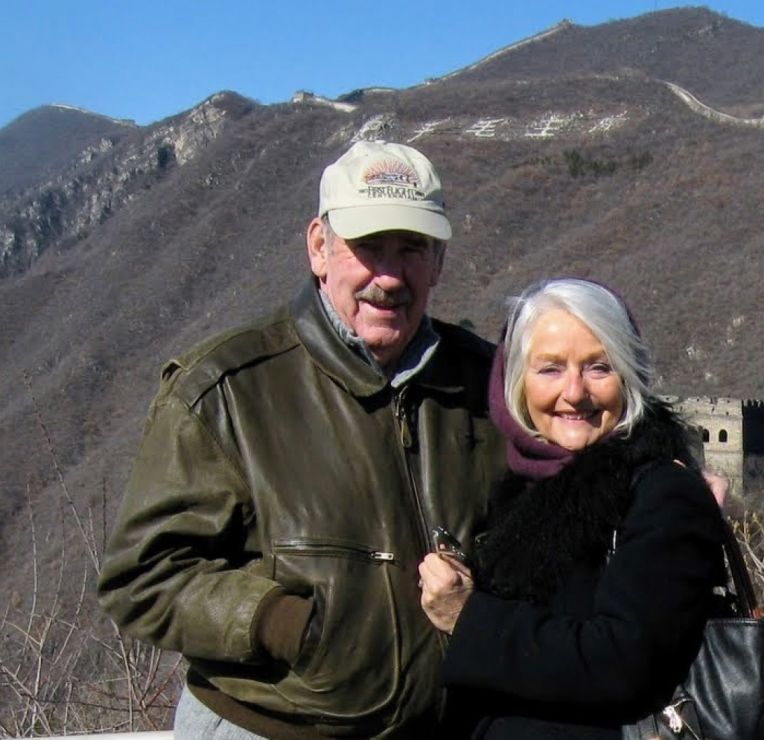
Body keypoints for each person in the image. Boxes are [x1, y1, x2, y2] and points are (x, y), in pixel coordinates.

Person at [96, 140, 506, 739]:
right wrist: (278, 622)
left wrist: (679, 479)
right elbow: (142, 576)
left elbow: (588, 458)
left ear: (439, 261)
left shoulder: (489, 386)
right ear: (320, 246)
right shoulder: (227, 390)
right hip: (267, 728)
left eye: (412, 248)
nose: (389, 277)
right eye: (367, 247)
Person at [418, 278, 727, 739]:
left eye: (599, 367)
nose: (574, 392)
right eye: (550, 369)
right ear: (515, 382)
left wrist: (469, 618)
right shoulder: (519, 491)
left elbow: (623, 663)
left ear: (630, 377)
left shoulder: (662, 495)